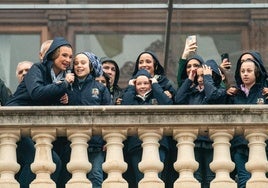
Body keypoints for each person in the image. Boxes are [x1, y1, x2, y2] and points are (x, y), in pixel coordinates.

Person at [6, 37, 74, 188]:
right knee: (35, 160)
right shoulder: (37, 69)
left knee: (54, 162)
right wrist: (63, 86)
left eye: (70, 56)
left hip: (34, 127)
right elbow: (37, 93)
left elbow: (47, 100)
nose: (68, 59)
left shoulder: (61, 77)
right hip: (16, 122)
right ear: (53, 54)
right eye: (64, 55)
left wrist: (63, 98)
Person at [57, 51, 111, 188]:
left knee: (95, 176)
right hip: (71, 142)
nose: (79, 66)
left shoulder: (100, 88)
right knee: (72, 179)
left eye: (83, 63)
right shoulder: (66, 86)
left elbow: (109, 116)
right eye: (76, 63)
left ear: (91, 66)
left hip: (96, 144)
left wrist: (107, 140)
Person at [175, 58, 226, 188]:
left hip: (212, 140)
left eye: (203, 75)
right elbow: (178, 99)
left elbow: (211, 96)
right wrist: (190, 79)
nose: (200, 78)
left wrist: (208, 77)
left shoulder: (220, 91)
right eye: (199, 75)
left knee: (211, 176)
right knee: (195, 175)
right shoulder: (192, 92)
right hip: (194, 139)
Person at [122, 69, 173, 187]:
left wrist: (155, 85)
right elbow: (124, 108)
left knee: (157, 179)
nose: (142, 86)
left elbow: (168, 105)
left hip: (159, 143)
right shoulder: (132, 98)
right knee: (140, 180)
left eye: (146, 83)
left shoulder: (157, 97)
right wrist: (130, 87)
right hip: (136, 145)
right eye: (139, 84)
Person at [227, 51, 268, 188]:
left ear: (256, 73)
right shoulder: (235, 93)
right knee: (243, 181)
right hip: (240, 145)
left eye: (249, 71)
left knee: (261, 180)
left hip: (262, 144)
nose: (245, 73)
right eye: (242, 71)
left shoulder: (264, 91)